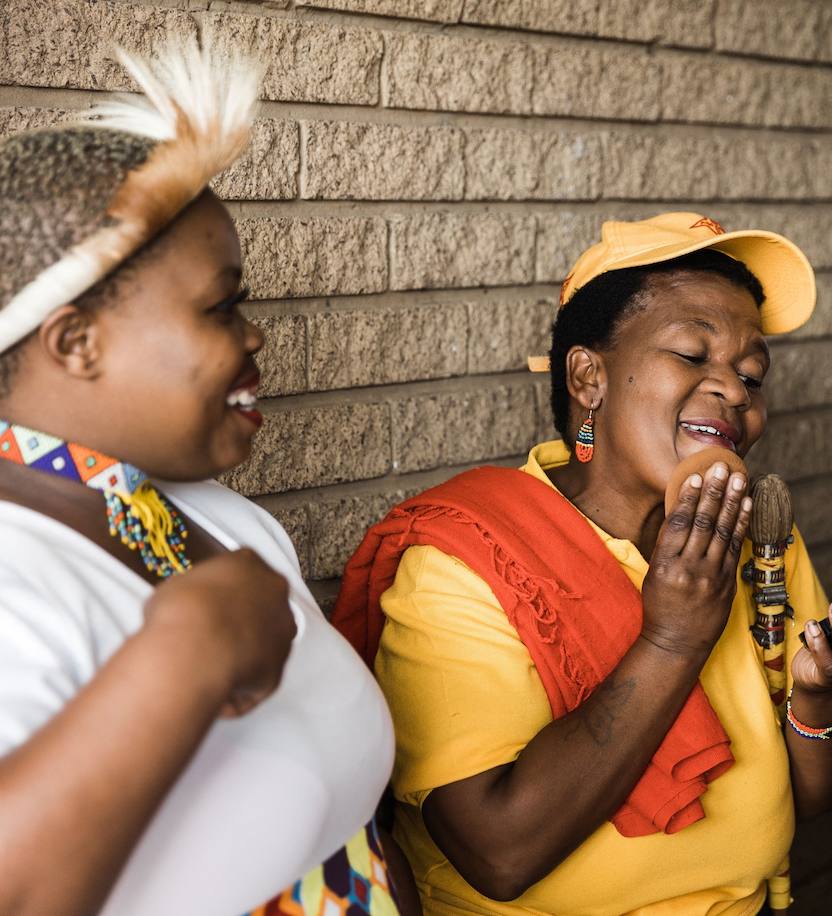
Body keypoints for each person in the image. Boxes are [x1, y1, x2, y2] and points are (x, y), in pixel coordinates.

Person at [332, 212, 832, 915]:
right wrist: (674, 637)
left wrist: (828, 698)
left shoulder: (759, 539)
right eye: (691, 354)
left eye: (751, 374)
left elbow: (814, 796)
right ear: (588, 376)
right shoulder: (463, 564)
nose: (735, 390)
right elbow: (498, 852)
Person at [0, 37, 414, 915]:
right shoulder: (13, 579)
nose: (256, 335)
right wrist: (183, 661)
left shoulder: (228, 524)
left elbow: (356, 834)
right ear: (77, 342)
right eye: (222, 305)